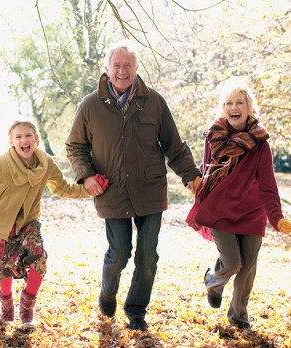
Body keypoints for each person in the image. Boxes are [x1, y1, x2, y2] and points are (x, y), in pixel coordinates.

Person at [65, 40, 201, 330]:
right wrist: (87, 176)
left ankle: (136, 310)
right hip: (111, 190)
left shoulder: (154, 102)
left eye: (128, 65)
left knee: (148, 255)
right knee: (119, 254)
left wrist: (190, 175)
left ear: (137, 68)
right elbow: (75, 146)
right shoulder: (90, 105)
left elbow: (174, 147)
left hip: (149, 190)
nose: (122, 71)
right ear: (107, 68)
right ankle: (107, 291)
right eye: (117, 65)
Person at [0, 121, 91, 328]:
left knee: (39, 258)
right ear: (11, 142)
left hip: (28, 223)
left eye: (28, 135)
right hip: (1, 222)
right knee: (4, 266)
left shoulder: (45, 163)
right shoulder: (3, 162)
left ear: (36, 139)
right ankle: (7, 307)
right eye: (18, 137)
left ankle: (27, 309)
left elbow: (62, 188)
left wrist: (90, 190)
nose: (24, 140)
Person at [185, 77, 291, 329]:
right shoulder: (214, 137)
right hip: (219, 211)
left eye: (240, 102)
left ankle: (238, 315)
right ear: (223, 109)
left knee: (247, 267)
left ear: (249, 108)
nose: (234, 107)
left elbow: (268, 185)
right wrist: (195, 181)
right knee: (233, 262)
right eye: (228, 102)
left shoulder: (260, 144)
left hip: (251, 213)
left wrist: (276, 217)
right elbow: (206, 170)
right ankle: (213, 279)